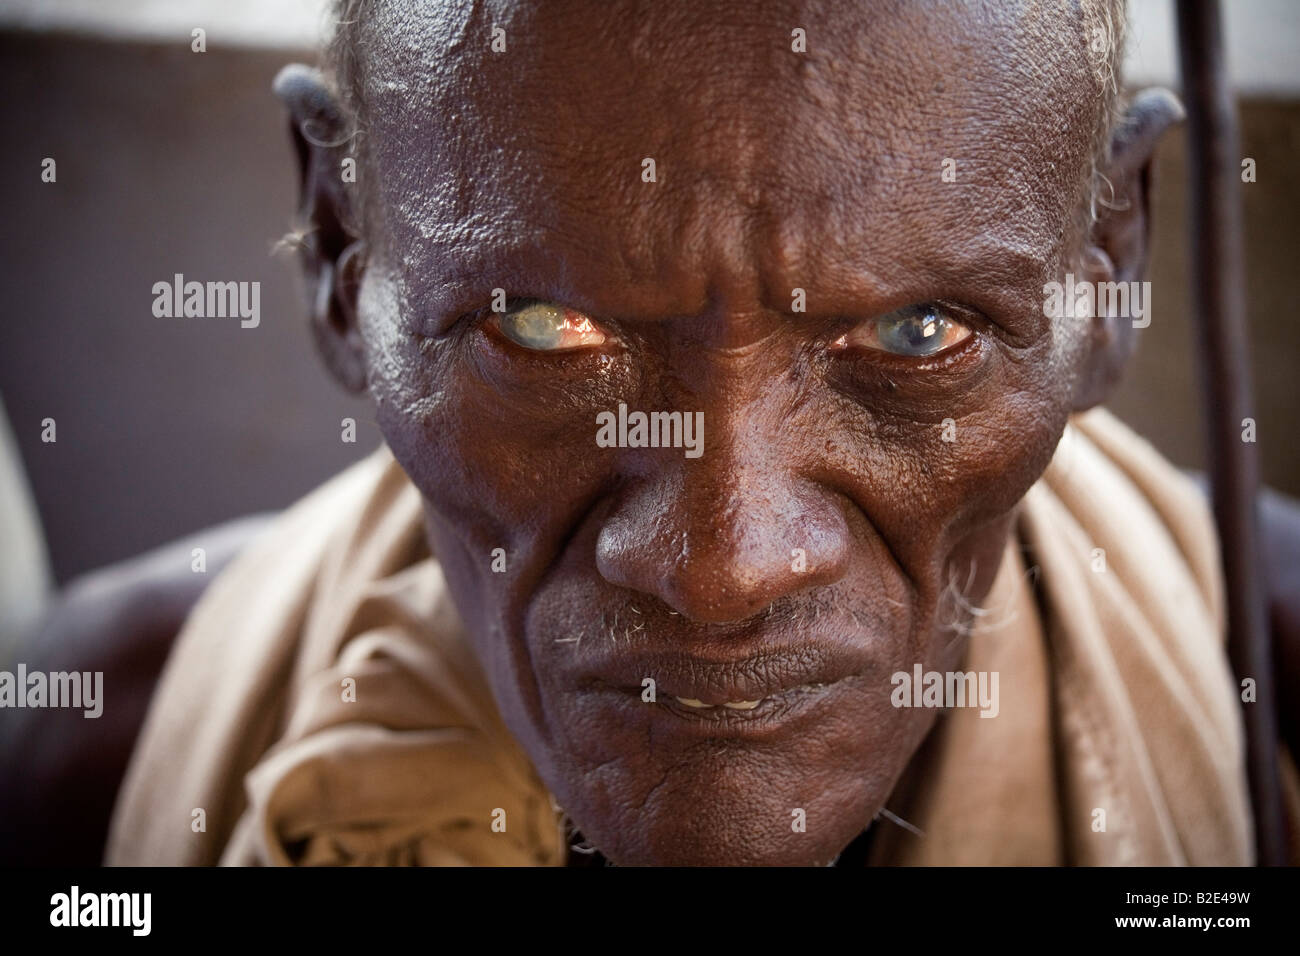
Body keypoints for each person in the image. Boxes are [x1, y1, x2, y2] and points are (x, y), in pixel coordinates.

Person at [5, 0, 1299, 866]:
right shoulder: (93, 762)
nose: (724, 565)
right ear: (345, 252)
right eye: (544, 334)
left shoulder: (1278, 705)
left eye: (918, 336)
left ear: (1107, 270)